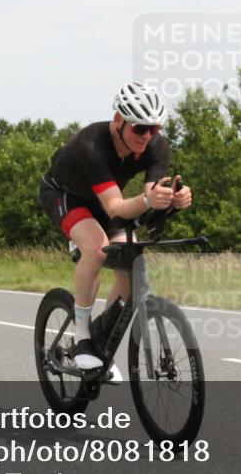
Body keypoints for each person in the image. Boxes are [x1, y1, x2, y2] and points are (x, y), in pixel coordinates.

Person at [39, 83, 192, 377]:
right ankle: (82, 337)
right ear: (119, 121)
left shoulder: (155, 146)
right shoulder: (92, 144)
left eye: (154, 128)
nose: (147, 136)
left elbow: (151, 197)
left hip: (106, 202)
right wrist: (149, 199)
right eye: (139, 128)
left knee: (131, 266)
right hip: (65, 194)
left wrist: (172, 199)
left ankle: (101, 341)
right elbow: (114, 208)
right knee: (96, 249)